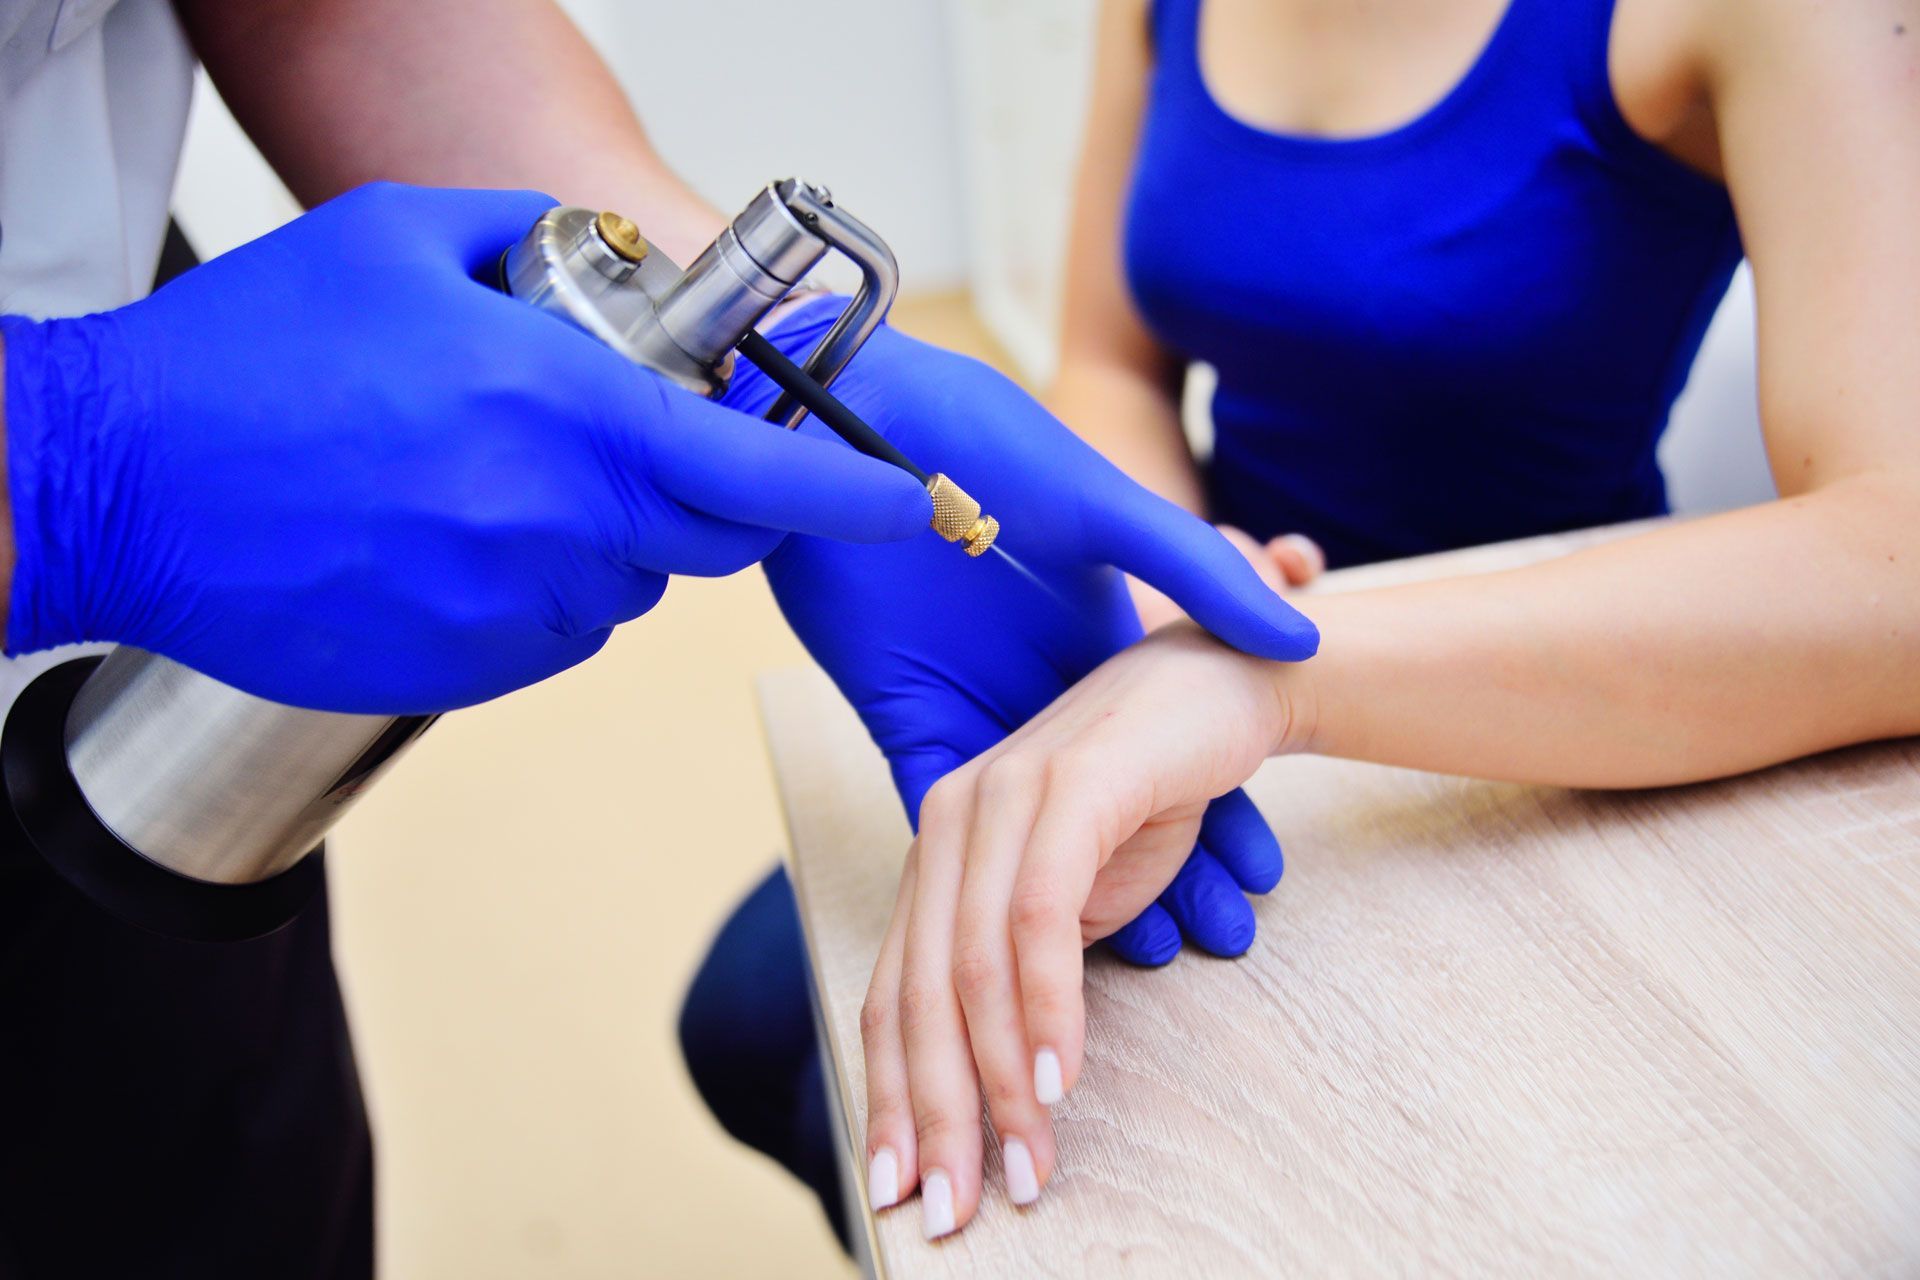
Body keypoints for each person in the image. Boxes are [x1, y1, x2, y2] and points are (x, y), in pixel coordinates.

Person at [0, 0, 1319, 1274]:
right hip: (141, 445)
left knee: (214, 1185)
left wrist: (751, 358)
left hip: (144, 772)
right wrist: (70, 465)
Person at [687, 0, 1920, 1246]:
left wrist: (1281, 673)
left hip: (1533, 716)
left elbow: (1902, 557)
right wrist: (1168, 575)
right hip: (1204, 640)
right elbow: (1113, 361)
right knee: (753, 1016)